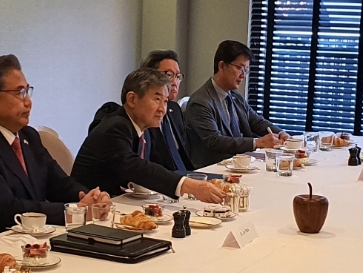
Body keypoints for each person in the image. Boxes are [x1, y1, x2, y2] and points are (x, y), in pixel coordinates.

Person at [0, 55, 111, 245]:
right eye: (19, 92)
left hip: (29, 242)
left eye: (27, 91)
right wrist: (74, 211)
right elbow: (7, 209)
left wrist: (90, 198)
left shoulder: (28, 136)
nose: (28, 102)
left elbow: (59, 183)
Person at [71, 69, 225, 203]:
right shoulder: (116, 127)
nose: (162, 109)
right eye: (157, 99)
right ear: (132, 99)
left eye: (165, 101)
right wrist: (188, 185)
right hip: (86, 209)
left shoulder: (144, 129)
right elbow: (137, 168)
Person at [184, 40, 289, 167]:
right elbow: (214, 140)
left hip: (238, 165)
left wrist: (281, 133)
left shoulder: (235, 97)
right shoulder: (200, 101)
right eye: (240, 68)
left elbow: (257, 122)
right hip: (212, 168)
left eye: (246, 70)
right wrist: (257, 142)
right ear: (221, 66)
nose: (243, 76)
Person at [143, 50, 193, 172]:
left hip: (186, 176)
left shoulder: (175, 110)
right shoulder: (144, 113)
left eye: (178, 76)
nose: (174, 83)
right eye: (168, 75)